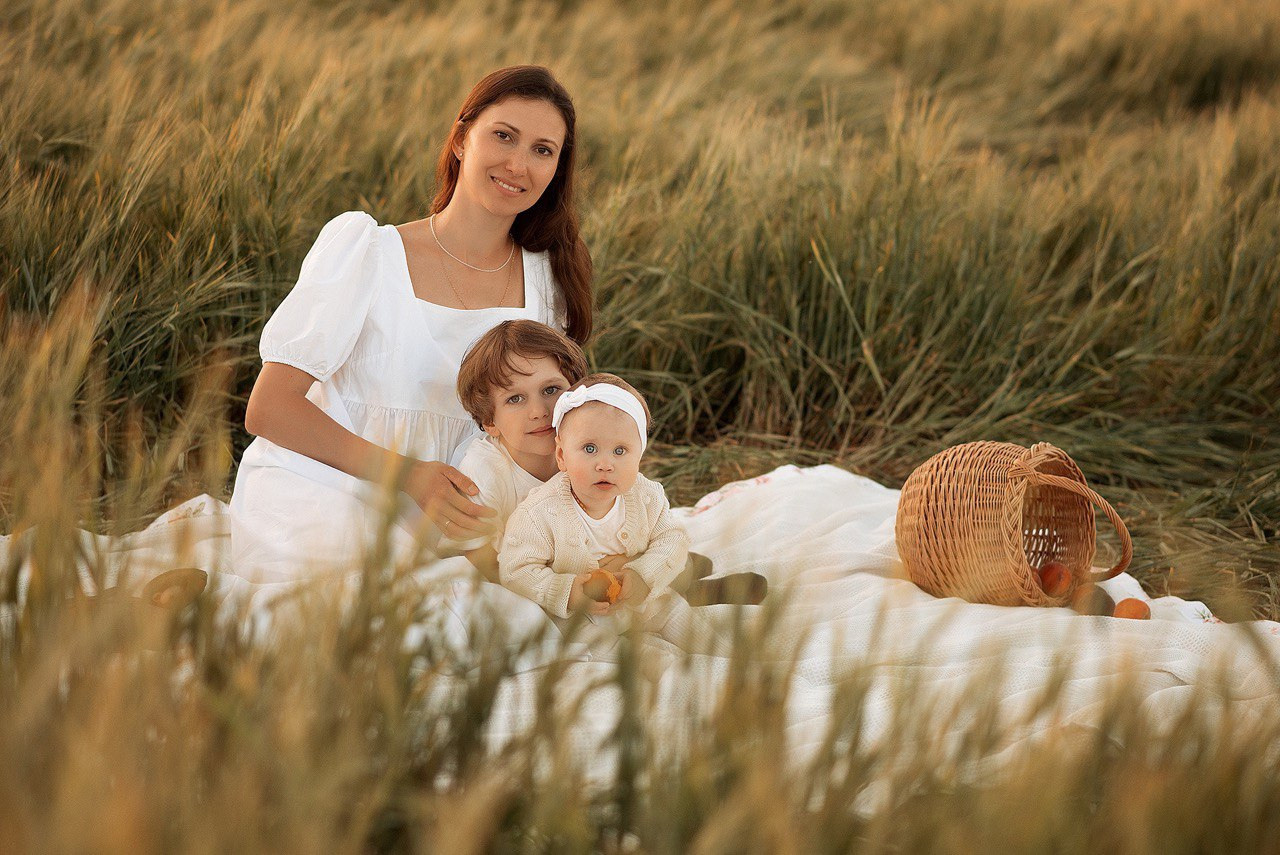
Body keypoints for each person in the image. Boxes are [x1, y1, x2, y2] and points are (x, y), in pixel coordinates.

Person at [228, 66, 593, 582]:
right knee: (391, 606)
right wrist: (406, 476)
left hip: (474, 511)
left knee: (522, 614)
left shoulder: (547, 279)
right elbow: (268, 409)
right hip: (340, 489)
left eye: (542, 150)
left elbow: (552, 426)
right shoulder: (368, 253)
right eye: (503, 136)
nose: (518, 164)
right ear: (463, 138)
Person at [443, 320, 767, 605]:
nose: (539, 411)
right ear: (490, 422)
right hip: (538, 574)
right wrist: (556, 586)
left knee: (646, 561)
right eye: (515, 399)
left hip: (604, 555)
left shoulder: (583, 445)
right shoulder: (485, 470)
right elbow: (478, 553)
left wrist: (627, 560)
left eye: (551, 390)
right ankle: (685, 587)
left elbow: (627, 502)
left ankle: (675, 575)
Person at [498, 374, 718, 651]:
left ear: (639, 457)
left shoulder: (645, 496)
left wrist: (643, 576)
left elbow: (672, 539)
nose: (605, 464)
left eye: (620, 451)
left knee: (684, 619)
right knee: (601, 655)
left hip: (641, 600)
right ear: (562, 456)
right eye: (589, 449)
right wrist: (566, 592)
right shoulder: (539, 513)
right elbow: (515, 570)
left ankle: (727, 663)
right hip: (581, 617)